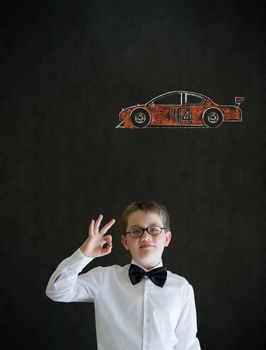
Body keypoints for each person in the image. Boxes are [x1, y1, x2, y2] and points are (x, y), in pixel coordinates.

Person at [46, 200, 201, 350]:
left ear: (166, 238)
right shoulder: (104, 279)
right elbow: (56, 290)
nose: (145, 237)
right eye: (136, 231)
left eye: (154, 229)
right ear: (125, 241)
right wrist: (84, 254)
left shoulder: (182, 287)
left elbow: (187, 345)